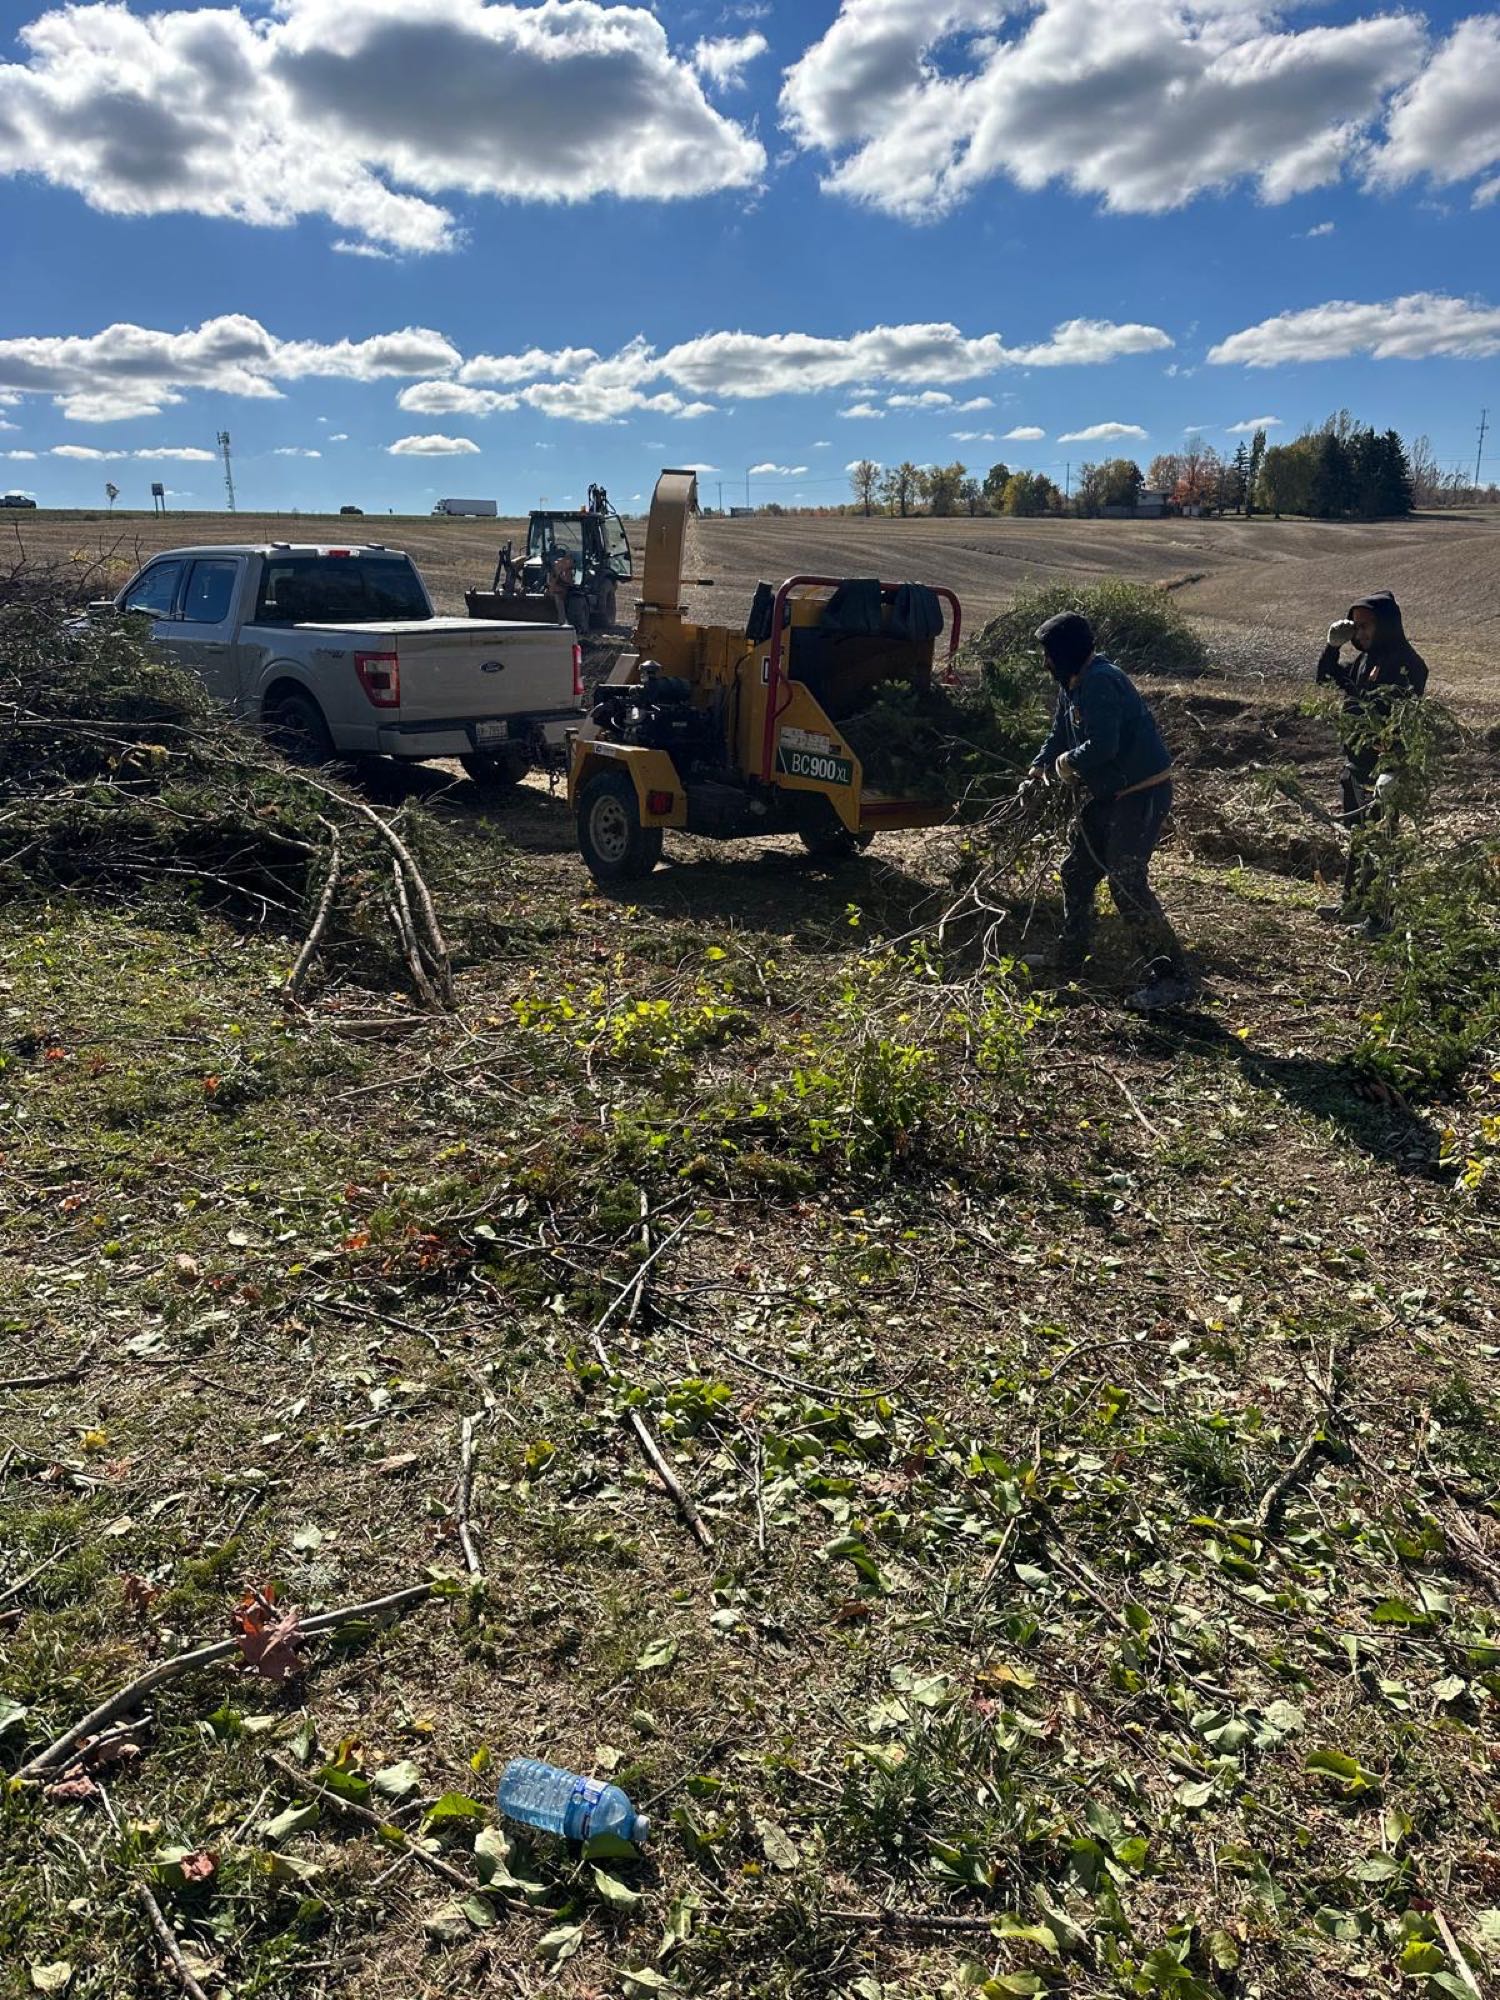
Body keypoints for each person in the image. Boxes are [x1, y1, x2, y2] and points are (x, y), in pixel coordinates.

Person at [1021, 610, 1196, 1012]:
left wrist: (1067, 763)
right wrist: (1040, 765)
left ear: (1065, 652)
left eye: (1049, 653)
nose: (1045, 662)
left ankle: (1173, 979)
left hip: (1141, 794)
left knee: (1125, 881)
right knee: (1076, 870)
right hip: (1110, 793)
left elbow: (1104, 746)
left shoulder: (1100, 681)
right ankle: (1073, 949)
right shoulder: (1073, 682)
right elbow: (1059, 732)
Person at [1315, 590, 1427, 922]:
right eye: (1356, 626)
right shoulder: (1365, 660)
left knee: (1382, 846)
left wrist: (1393, 768)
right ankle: (1352, 906)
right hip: (1357, 766)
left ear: (1386, 625)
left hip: (1384, 770)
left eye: (1365, 626)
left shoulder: (1406, 663)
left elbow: (1402, 719)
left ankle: (1380, 919)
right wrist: (1332, 648)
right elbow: (1325, 679)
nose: (1359, 633)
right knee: (1361, 840)